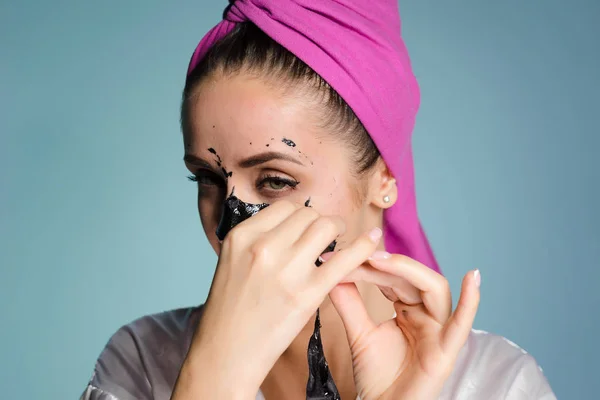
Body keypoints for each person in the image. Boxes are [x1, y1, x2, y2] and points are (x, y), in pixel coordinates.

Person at [81, 1, 556, 399]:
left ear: (383, 176)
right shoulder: (142, 362)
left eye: (274, 180)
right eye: (206, 177)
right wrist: (212, 379)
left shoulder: (497, 384)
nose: (232, 228)